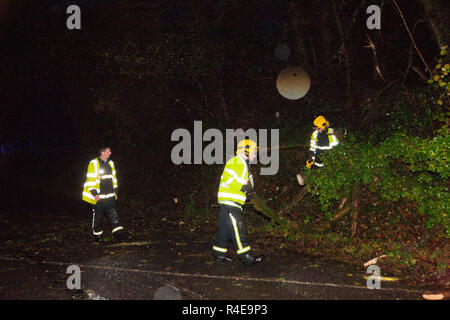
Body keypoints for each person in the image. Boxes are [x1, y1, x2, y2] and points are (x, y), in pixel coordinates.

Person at [212, 139, 265, 266]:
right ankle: (246, 257)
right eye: (253, 151)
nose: (254, 154)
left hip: (231, 200)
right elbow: (232, 179)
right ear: (246, 151)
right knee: (238, 227)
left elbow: (248, 184)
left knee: (224, 229)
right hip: (231, 200)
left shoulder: (243, 164)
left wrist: (247, 186)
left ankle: (218, 255)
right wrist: (243, 187)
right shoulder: (237, 161)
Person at [82, 146, 125, 242]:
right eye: (109, 151)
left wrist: (115, 192)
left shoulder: (111, 163)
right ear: (103, 152)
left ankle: (118, 235)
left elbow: (114, 179)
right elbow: (91, 180)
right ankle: (98, 236)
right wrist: (94, 194)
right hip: (99, 197)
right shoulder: (94, 163)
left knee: (114, 215)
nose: (110, 153)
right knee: (98, 217)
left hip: (110, 195)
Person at [297, 115, 339, 185]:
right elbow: (312, 145)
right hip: (318, 158)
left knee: (325, 175)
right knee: (316, 172)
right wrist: (311, 156)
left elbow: (337, 146)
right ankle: (305, 178)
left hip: (329, 159)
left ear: (324, 126)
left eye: (318, 128)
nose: (317, 130)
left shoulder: (331, 133)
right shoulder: (315, 134)